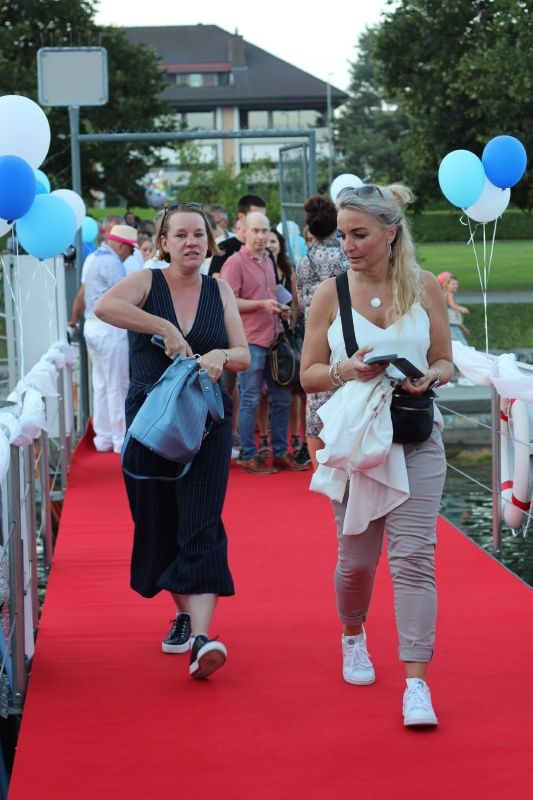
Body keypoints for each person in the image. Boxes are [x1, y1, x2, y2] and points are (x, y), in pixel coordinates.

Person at [300, 183, 453, 726]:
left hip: (416, 437)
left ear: (391, 233)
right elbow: (308, 374)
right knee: (357, 563)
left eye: (359, 234)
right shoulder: (329, 294)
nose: (348, 246)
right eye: (343, 235)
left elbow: (445, 359)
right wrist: (346, 370)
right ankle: (353, 634)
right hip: (356, 444)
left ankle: (417, 684)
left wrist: (430, 376)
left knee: (414, 558)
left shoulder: (424, 287)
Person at [94, 202, 250, 680]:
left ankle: (201, 638)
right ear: (164, 243)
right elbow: (104, 307)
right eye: (180, 235)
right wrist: (161, 326)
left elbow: (243, 353)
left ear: (209, 241)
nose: (191, 242)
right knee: (158, 521)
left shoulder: (220, 289)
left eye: (198, 234)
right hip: (151, 423)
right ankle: (182, 612)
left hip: (206, 423)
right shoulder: (148, 282)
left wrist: (220, 355)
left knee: (201, 521)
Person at [221, 212, 308, 474]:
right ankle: (248, 455)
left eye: (264, 231)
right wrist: (261, 305)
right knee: (250, 398)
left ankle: (280, 453)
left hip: (274, 340)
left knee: (281, 399)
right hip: (250, 340)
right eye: (255, 231)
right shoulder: (234, 263)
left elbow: (272, 292)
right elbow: (227, 302)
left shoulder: (269, 259)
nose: (261, 236)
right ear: (244, 232)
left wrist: (283, 307)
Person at [296, 195, 349, 469]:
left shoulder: (304, 261)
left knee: (315, 401)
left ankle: (319, 471)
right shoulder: (345, 258)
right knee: (342, 394)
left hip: (312, 335)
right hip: (341, 335)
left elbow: (299, 300)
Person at [83, 224, 138, 453]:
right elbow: (123, 300)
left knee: (102, 385)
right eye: (130, 249)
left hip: (92, 325)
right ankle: (119, 438)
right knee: (118, 385)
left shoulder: (96, 257)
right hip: (109, 328)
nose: (131, 254)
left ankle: (104, 437)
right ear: (121, 245)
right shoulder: (113, 263)